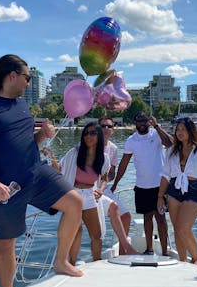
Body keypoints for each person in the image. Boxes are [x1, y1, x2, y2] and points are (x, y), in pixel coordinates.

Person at [0, 54, 83, 287]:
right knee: (6, 244)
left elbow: (27, 143)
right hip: (4, 187)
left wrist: (42, 135)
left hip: (36, 174)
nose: (28, 82)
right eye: (27, 77)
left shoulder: (21, 105)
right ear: (12, 76)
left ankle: (60, 261)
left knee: (75, 202)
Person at [46, 122, 138, 263]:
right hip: (73, 195)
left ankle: (97, 262)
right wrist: (52, 157)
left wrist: (100, 190)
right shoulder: (74, 153)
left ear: (99, 136)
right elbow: (60, 171)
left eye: (93, 133)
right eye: (86, 133)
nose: (89, 136)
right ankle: (71, 264)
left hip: (89, 195)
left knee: (97, 235)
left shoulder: (103, 158)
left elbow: (104, 177)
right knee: (76, 232)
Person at [157, 117, 197, 264]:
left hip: (194, 189)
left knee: (183, 228)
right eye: (177, 129)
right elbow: (165, 175)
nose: (179, 132)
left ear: (191, 131)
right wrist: (160, 196)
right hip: (174, 189)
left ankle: (196, 260)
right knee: (177, 230)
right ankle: (183, 261)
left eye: (183, 129)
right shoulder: (172, 150)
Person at [111, 112, 173, 255]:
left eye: (145, 121)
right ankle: (149, 249)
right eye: (139, 121)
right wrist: (115, 184)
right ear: (135, 123)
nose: (142, 124)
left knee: (161, 219)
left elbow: (170, 143)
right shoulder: (131, 141)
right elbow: (124, 164)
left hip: (160, 186)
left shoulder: (156, 134)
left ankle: (164, 252)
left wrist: (156, 126)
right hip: (142, 186)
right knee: (147, 218)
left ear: (149, 121)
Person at [98, 116, 133, 254]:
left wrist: (107, 178)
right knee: (97, 228)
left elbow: (112, 172)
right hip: (88, 189)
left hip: (104, 188)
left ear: (113, 130)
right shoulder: (90, 143)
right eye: (103, 126)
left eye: (109, 126)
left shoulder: (113, 148)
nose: (106, 128)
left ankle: (123, 253)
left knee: (126, 216)